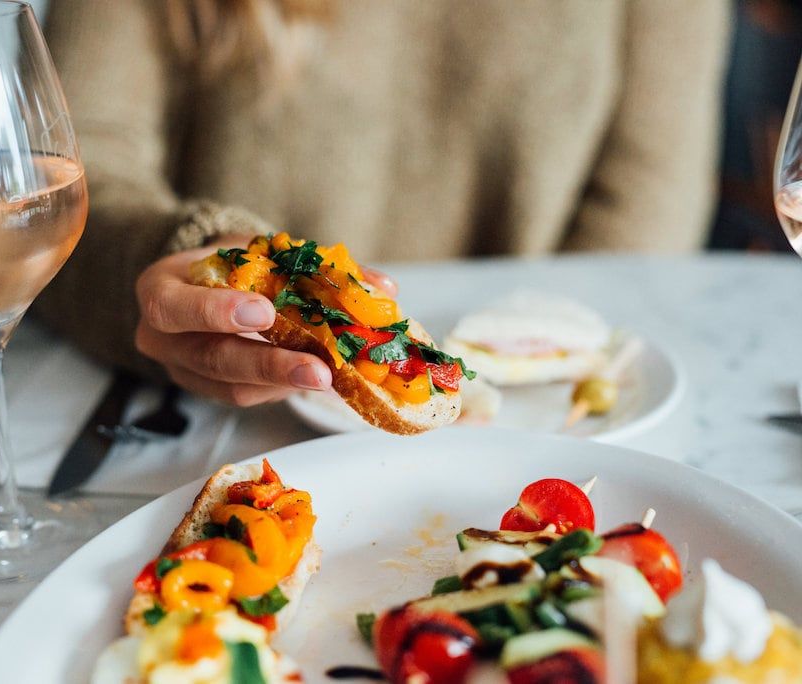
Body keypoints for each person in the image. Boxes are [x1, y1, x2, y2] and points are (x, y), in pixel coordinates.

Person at [37, 0, 730, 406]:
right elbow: (66, 164)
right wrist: (182, 258)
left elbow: (647, 195)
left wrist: (536, 367)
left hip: (547, 409)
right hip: (221, 414)